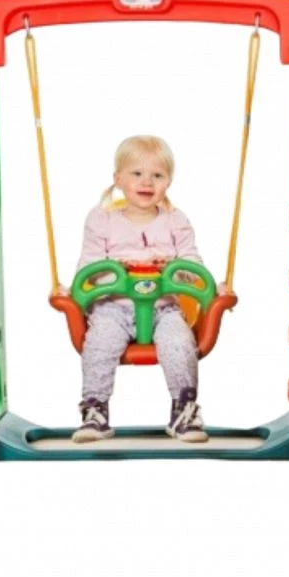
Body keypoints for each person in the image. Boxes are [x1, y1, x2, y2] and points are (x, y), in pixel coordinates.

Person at [64, 135, 224, 444]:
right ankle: (95, 410)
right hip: (112, 309)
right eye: (137, 173)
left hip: (164, 309)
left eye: (157, 175)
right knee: (99, 343)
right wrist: (113, 273)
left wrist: (199, 278)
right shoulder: (101, 218)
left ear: (168, 182)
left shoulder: (175, 220)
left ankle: (185, 410)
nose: (146, 181)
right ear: (118, 179)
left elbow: (192, 263)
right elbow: (89, 267)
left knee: (179, 342)